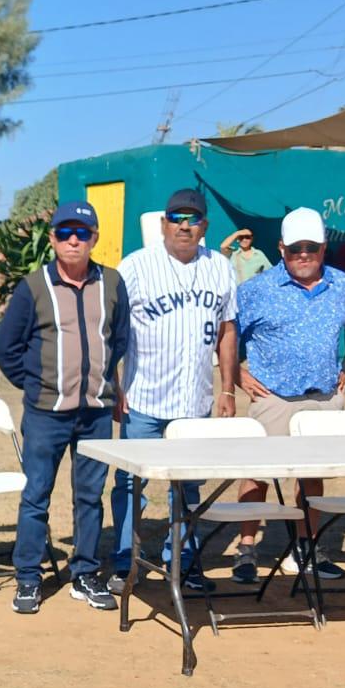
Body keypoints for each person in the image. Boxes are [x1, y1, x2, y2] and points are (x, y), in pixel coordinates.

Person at [0, 200, 130, 615]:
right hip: (46, 413)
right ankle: (29, 579)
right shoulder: (33, 286)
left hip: (95, 413)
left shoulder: (112, 282)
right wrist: (37, 384)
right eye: (65, 233)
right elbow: (5, 349)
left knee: (90, 497)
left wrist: (106, 385)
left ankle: (85, 573)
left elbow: (118, 340)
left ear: (95, 239)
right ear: (52, 239)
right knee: (36, 495)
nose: (74, 240)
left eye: (82, 233)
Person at [109, 188, 237, 594]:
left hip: (194, 401)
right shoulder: (135, 266)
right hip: (144, 395)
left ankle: (183, 559)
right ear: (163, 223)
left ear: (205, 226)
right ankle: (124, 562)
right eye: (177, 217)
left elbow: (228, 329)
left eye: (193, 218)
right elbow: (111, 329)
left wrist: (228, 389)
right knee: (131, 483)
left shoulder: (220, 267)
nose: (185, 225)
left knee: (189, 485)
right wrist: (114, 384)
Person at [230, 207, 345, 582]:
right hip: (272, 397)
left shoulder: (344, 286)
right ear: (281, 249)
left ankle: (307, 548)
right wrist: (239, 374)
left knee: (311, 476)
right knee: (257, 475)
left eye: (310, 247)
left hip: (323, 397)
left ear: (323, 248)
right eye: (294, 249)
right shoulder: (255, 290)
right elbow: (227, 336)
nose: (303, 254)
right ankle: (246, 550)